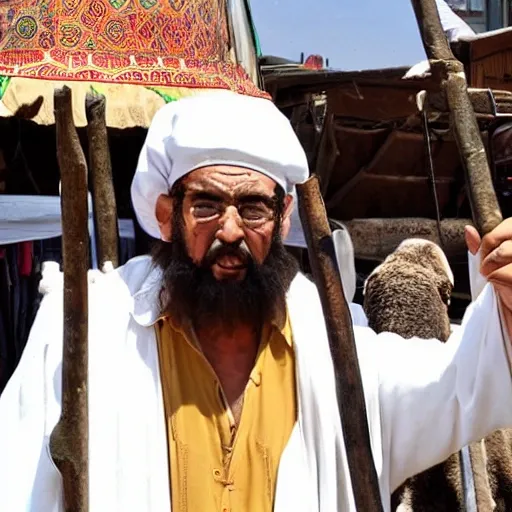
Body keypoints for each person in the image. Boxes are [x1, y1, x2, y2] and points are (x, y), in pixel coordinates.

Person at [1, 90, 512, 512]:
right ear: (165, 215)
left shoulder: (333, 346)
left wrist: (508, 301)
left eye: (252, 207)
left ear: (283, 218)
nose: (230, 229)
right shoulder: (87, 330)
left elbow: (461, 385)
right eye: (205, 204)